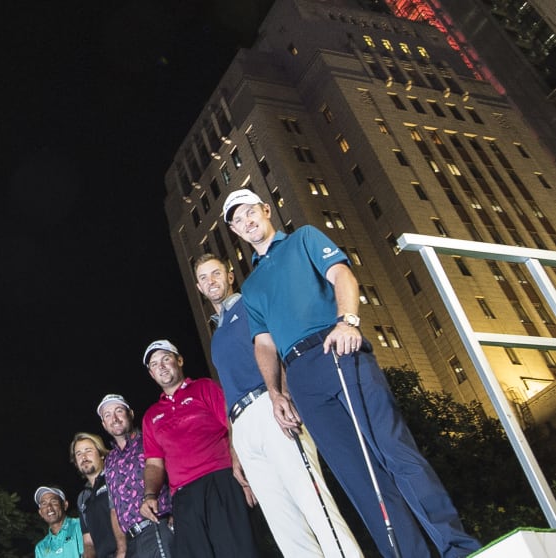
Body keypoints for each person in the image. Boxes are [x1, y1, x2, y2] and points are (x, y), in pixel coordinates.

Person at [224, 188, 481, 558]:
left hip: (337, 348)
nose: (247, 222)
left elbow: (341, 274)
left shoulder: (305, 238)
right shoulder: (250, 288)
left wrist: (347, 321)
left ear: (266, 210)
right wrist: (277, 393)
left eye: (250, 212)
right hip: (300, 376)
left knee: (393, 451)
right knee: (360, 480)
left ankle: (456, 547)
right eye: (238, 220)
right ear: (234, 231)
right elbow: (263, 344)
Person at [194, 253, 363, 557]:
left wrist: (283, 394)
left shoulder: (251, 305)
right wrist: (234, 449)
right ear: (199, 286)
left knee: (315, 505)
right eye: (204, 278)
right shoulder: (216, 336)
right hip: (244, 426)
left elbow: (278, 347)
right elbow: (229, 391)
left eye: (216, 273)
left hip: (271, 408)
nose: (211, 281)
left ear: (230, 275)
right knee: (284, 526)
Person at [139, 339, 259, 557]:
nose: (162, 367)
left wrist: (245, 476)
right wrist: (149, 495)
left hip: (220, 480)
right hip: (183, 496)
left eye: (166, 359)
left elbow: (233, 426)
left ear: (179, 360)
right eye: (155, 364)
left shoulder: (204, 387)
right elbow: (154, 463)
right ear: (151, 374)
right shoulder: (150, 417)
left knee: (236, 551)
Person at [97, 394, 174, 558]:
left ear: (130, 414)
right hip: (134, 543)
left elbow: (175, 473)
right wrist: (122, 549)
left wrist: (176, 514)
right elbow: (114, 507)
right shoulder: (110, 460)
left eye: (119, 411)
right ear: (104, 424)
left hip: (158, 526)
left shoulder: (148, 440)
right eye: (108, 415)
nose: (115, 419)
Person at [70, 432, 126, 558]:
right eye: (78, 454)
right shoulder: (83, 498)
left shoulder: (115, 476)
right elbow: (88, 542)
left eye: (88, 451)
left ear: (101, 454)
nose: (84, 457)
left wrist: (122, 552)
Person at [35, 486, 85, 558]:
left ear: (65, 505)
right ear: (40, 513)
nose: (49, 507)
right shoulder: (41, 547)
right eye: (44, 504)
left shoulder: (80, 525)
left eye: (54, 501)